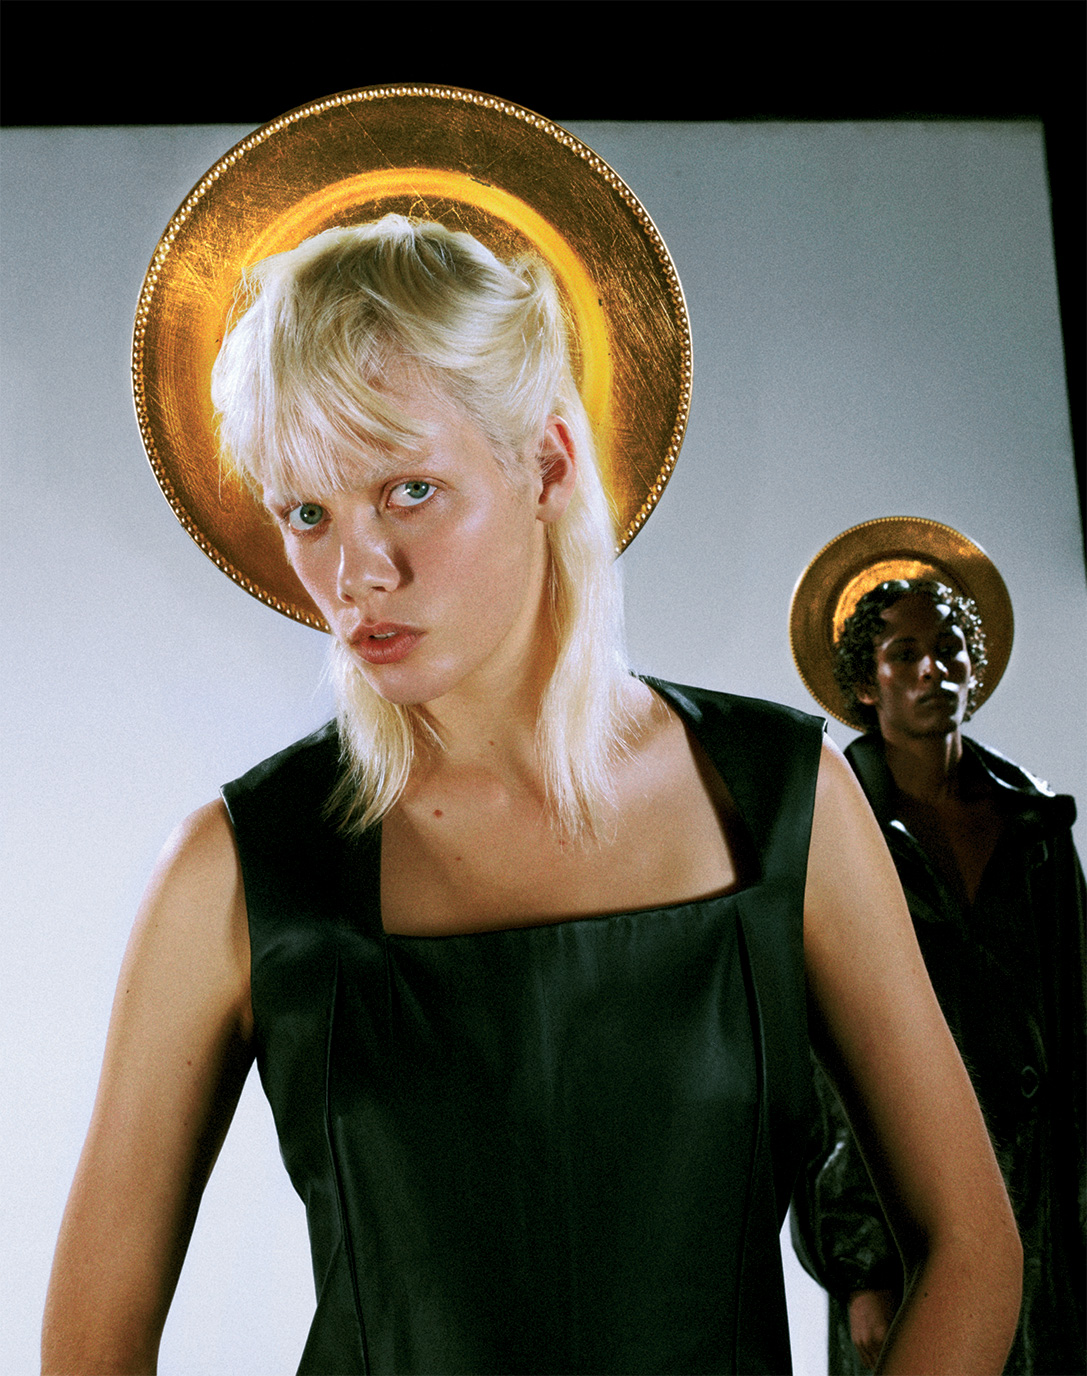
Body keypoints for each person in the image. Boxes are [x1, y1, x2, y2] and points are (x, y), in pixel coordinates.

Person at [42, 95, 1020, 1375]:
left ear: (549, 463)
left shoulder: (786, 800)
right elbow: (86, 1351)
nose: (357, 572)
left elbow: (972, 1246)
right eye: (306, 510)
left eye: (409, 489)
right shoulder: (231, 870)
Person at [788, 548, 1085, 1375]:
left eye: (948, 647)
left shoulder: (1035, 826)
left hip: (1045, 1212)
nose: (932, 669)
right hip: (909, 1215)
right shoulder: (834, 830)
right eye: (904, 653)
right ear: (866, 680)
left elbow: (1078, 1026)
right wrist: (860, 1271)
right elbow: (823, 1064)